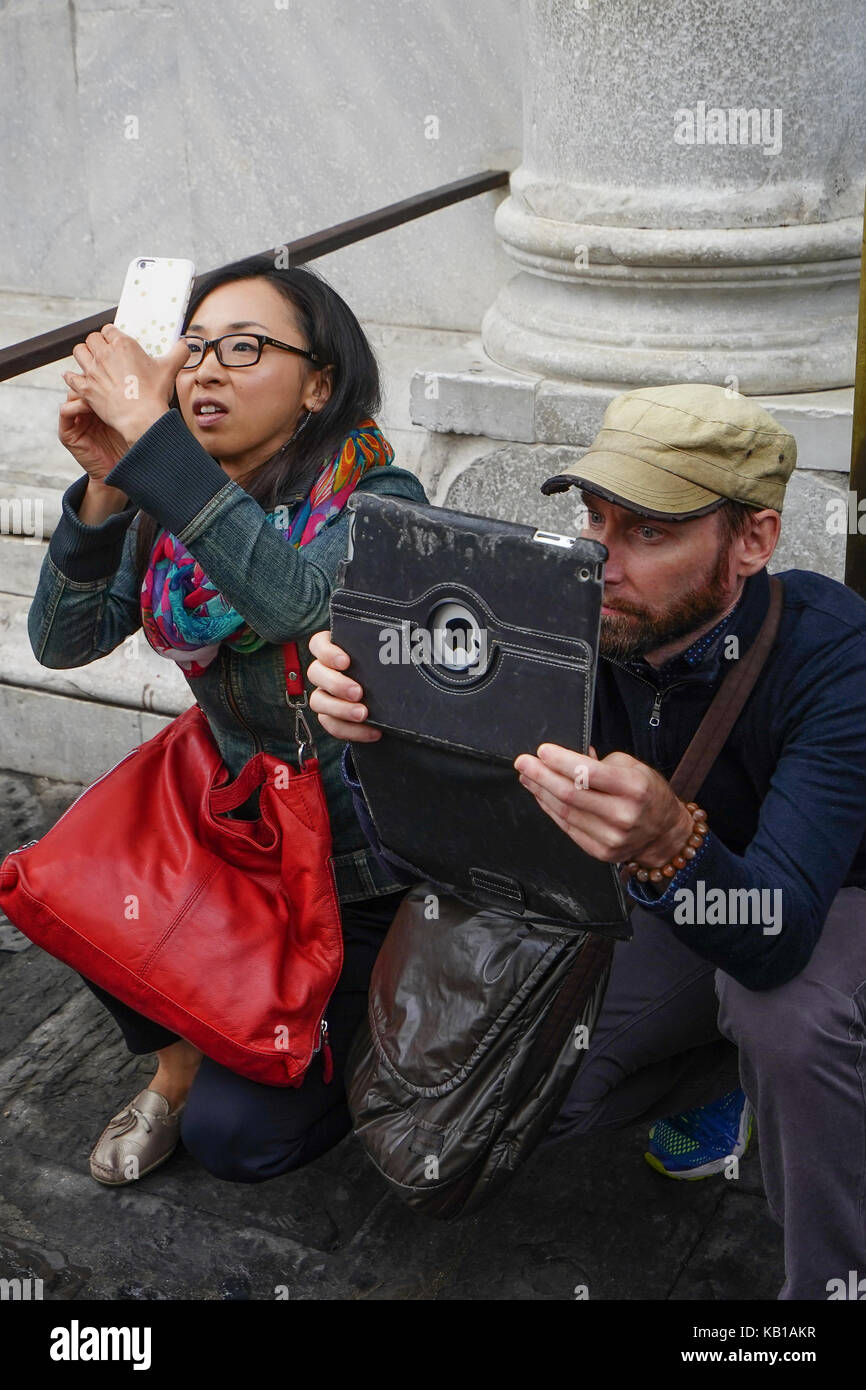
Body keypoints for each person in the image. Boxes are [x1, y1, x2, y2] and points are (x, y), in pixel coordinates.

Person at [306, 382, 866, 1301]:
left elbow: (778, 932)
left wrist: (671, 848)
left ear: (754, 542)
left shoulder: (835, 654)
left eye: (650, 532)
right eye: (597, 518)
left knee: (784, 1019)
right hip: (665, 902)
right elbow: (445, 862)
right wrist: (383, 740)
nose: (600, 560)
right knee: (523, 1091)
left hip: (825, 902)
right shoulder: (565, 618)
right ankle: (729, 1085)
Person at [27, 254, 428, 1187]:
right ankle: (177, 1063)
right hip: (241, 833)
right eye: (192, 347)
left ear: (317, 384)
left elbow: (293, 603)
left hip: (360, 871)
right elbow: (61, 638)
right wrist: (105, 487)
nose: (203, 370)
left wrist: (154, 447)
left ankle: (387, 1049)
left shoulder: (378, 506)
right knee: (70, 880)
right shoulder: (167, 502)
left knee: (240, 1139)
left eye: (244, 348)